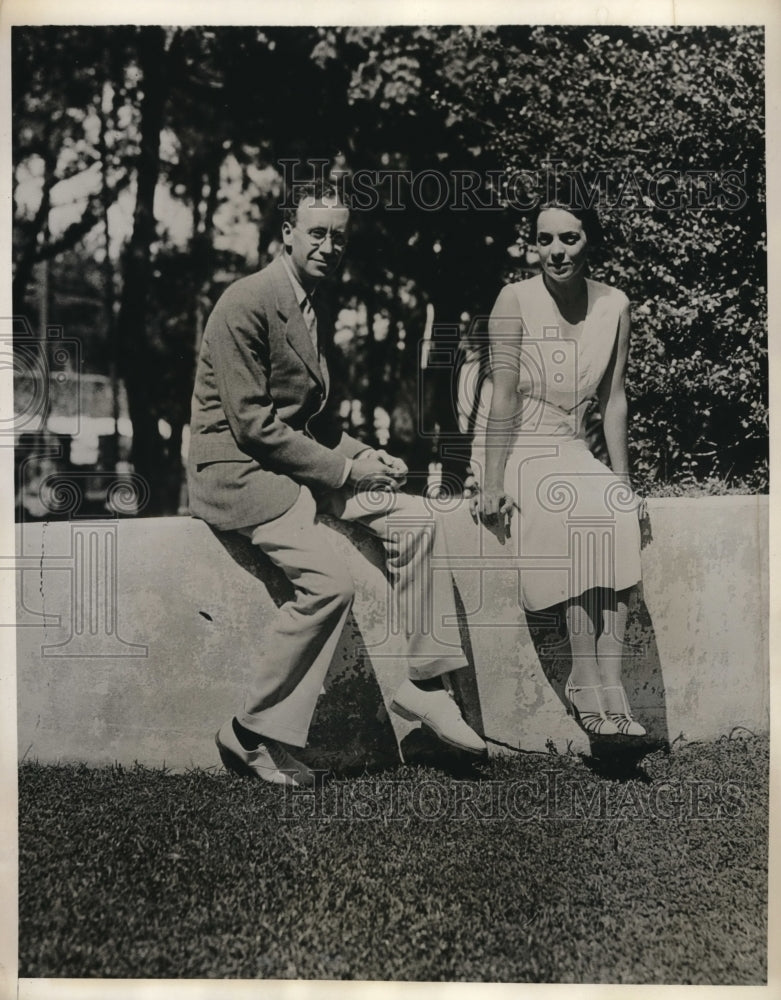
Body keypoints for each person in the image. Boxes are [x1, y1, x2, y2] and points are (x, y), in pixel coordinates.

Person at [187, 178, 486, 786]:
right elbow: (253, 425)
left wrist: (366, 455)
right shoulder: (246, 301)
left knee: (416, 521)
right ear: (288, 234)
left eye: (338, 236)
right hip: (243, 476)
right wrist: (345, 470)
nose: (328, 245)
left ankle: (425, 684)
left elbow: (310, 423)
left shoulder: (309, 303)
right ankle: (249, 733)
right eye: (317, 232)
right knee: (329, 585)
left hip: (295, 467)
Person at [472, 200, 646, 738]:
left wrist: (623, 481)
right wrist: (493, 480)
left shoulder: (614, 305)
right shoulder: (513, 300)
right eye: (545, 240)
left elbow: (612, 400)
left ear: (589, 240)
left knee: (615, 516)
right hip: (514, 440)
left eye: (569, 238)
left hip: (569, 444)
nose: (557, 252)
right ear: (534, 244)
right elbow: (501, 397)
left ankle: (613, 695)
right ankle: (584, 680)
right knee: (567, 514)